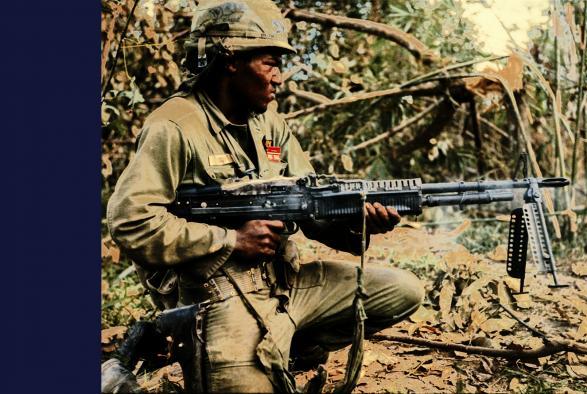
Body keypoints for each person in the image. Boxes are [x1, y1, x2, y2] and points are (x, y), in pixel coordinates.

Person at [106, 0, 424, 392]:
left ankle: (287, 345)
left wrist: (357, 220)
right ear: (231, 61)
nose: (279, 77)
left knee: (403, 291)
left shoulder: (269, 123)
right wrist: (231, 240)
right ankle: (194, 345)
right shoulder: (174, 126)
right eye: (270, 63)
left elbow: (311, 205)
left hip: (284, 283)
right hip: (217, 292)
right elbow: (131, 222)